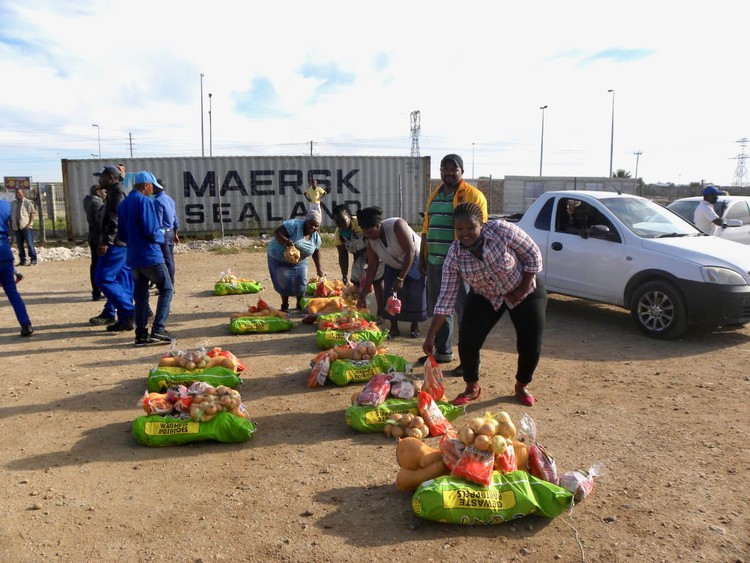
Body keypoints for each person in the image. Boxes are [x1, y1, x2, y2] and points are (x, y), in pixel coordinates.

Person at [422, 202, 546, 407]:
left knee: (530, 342)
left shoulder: (501, 231)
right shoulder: (454, 256)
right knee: (468, 339)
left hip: (524, 289)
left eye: (471, 227)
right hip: (486, 295)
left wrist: (522, 290)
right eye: (460, 229)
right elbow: (445, 299)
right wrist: (431, 336)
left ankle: (522, 385)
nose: (465, 233)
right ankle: (472, 387)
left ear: (482, 224)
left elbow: (532, 253)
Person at [418, 154, 487, 374]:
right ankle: (443, 352)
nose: (448, 172)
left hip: (461, 263)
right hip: (435, 262)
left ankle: (470, 359)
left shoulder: (472, 195)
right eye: (444, 169)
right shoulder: (436, 195)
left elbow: (479, 230)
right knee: (440, 308)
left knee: (465, 311)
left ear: (462, 172)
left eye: (453, 169)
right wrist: (423, 257)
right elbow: (426, 229)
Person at [117, 171, 174, 347]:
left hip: (133, 257)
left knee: (140, 296)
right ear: (145, 186)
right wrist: (162, 236)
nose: (152, 191)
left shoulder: (124, 203)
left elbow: (122, 234)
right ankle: (158, 329)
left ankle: (141, 334)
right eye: (151, 187)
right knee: (166, 288)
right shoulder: (144, 202)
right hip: (151, 255)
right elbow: (151, 231)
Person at [356, 206, 428, 338]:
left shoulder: (397, 225)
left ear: (378, 226)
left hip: (413, 260)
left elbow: (410, 252)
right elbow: (372, 267)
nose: (369, 236)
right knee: (390, 294)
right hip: (392, 263)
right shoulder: (371, 241)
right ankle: (394, 327)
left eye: (371, 232)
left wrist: (401, 279)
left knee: (413, 294)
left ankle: (414, 326)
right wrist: (364, 293)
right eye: (365, 233)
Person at [90, 165, 135, 331]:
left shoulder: (117, 193)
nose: (98, 180)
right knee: (123, 280)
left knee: (103, 278)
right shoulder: (115, 192)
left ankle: (129, 311)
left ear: (110, 177)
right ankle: (125, 319)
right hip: (121, 243)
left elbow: (115, 219)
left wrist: (106, 241)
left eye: (101, 177)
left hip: (115, 244)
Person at [267, 208, 325, 311]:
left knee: (300, 283)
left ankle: (300, 303)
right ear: (306, 221)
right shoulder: (294, 225)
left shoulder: (316, 237)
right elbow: (277, 233)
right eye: (311, 224)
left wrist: (319, 269)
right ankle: (284, 305)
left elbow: (316, 252)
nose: (313, 227)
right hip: (279, 258)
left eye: (316, 225)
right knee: (284, 283)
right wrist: (286, 242)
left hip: (299, 261)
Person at [333, 204, 384, 315]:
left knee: (376, 280)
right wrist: (344, 275)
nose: (340, 225)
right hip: (359, 257)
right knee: (356, 281)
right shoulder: (339, 234)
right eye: (337, 222)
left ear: (350, 217)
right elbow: (343, 255)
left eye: (343, 221)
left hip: (376, 251)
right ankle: (362, 311)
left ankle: (381, 312)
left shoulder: (360, 222)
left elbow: (374, 236)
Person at [1, 198, 33, 336]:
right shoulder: (5, 205)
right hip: (5, 251)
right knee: (13, 292)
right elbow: (12, 224)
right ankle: (26, 325)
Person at [152, 178, 179, 286]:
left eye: (153, 186)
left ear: (158, 187)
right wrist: (175, 233)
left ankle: (168, 286)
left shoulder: (157, 201)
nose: (152, 188)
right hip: (171, 231)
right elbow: (175, 219)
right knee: (170, 259)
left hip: (163, 233)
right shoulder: (169, 199)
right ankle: (171, 284)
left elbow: (158, 221)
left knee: (165, 261)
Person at [83, 183, 106, 301]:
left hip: (93, 237)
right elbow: (101, 222)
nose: (105, 194)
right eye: (104, 192)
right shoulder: (96, 203)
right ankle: (97, 291)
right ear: (98, 192)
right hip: (98, 239)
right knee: (99, 265)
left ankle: (97, 291)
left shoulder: (87, 201)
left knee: (95, 264)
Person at [10, 188, 38, 266]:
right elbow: (11, 216)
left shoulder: (28, 202)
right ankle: (22, 260)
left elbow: (32, 214)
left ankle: (33, 259)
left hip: (26, 227)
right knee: (19, 244)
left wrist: (29, 224)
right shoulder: (12, 203)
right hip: (16, 227)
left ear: (23, 194)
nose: (17, 194)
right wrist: (11, 225)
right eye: (16, 193)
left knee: (29, 244)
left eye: (19, 193)